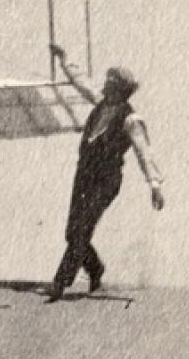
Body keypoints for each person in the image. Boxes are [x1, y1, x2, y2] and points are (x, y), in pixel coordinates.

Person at [47, 45, 163, 302]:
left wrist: (154, 184)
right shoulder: (100, 103)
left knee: (83, 227)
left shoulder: (131, 119)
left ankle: (60, 282)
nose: (105, 85)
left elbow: (144, 152)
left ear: (121, 89)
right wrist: (64, 59)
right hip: (84, 175)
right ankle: (95, 268)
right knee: (72, 232)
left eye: (111, 83)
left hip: (107, 179)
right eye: (107, 81)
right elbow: (80, 82)